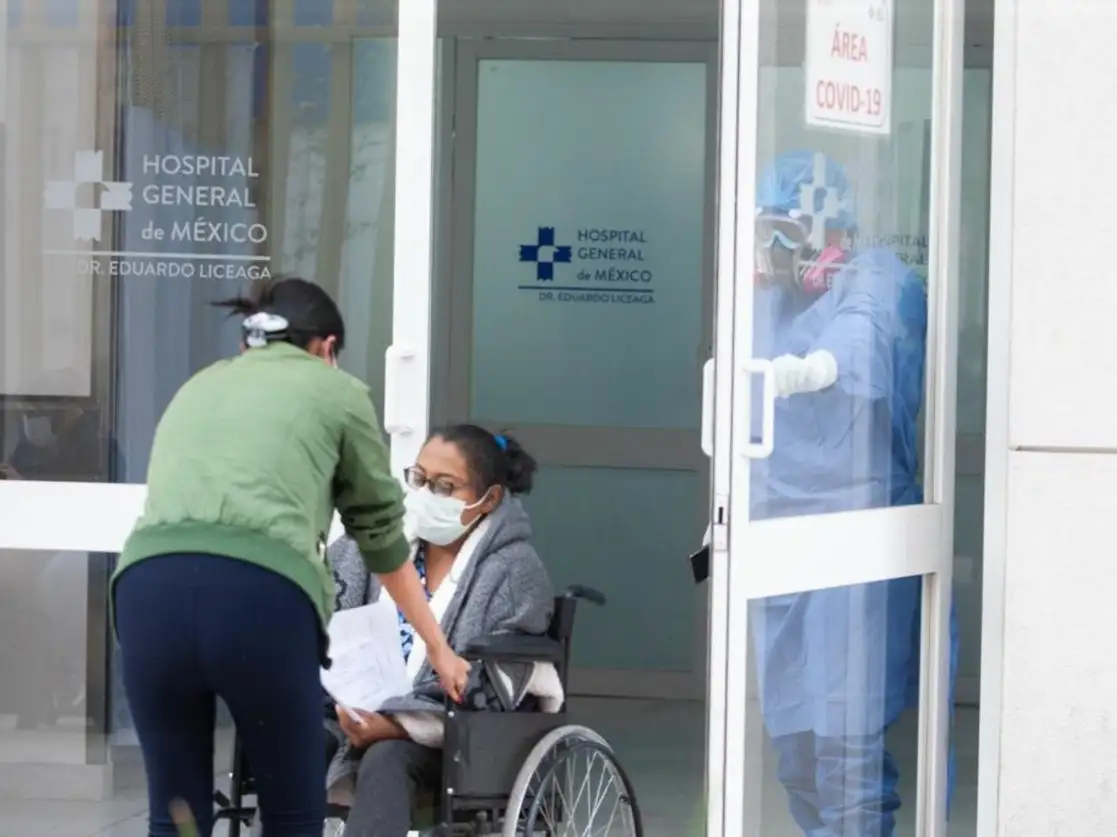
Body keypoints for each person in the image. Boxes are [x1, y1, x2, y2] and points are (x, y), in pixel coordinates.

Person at [110, 277, 471, 837]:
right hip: (257, 599)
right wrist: (439, 647)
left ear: (251, 340)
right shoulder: (339, 393)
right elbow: (381, 540)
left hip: (146, 594)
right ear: (326, 348)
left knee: (176, 814)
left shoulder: (199, 385)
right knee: (292, 815)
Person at [746, 150, 958, 837]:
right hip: (780, 540)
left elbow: (859, 347)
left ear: (826, 223)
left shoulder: (879, 280)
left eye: (785, 231)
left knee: (847, 746)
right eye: (763, 231)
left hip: (854, 543)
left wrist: (807, 370)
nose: (773, 249)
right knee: (796, 750)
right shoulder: (769, 295)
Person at [324, 425, 556, 837]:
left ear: (490, 499)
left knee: (387, 755)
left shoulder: (515, 571)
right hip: (353, 715)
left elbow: (490, 692)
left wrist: (397, 726)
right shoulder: (375, 552)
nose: (426, 495)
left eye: (445, 487)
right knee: (290, 740)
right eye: (420, 480)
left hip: (450, 740)